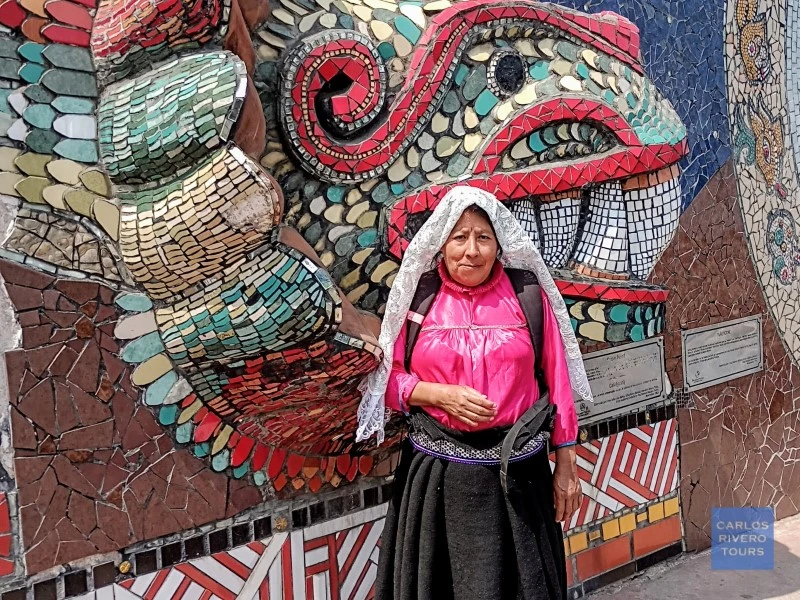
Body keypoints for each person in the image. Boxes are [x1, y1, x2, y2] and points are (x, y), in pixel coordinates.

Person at [356, 187, 594, 600]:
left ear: (499, 244)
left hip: (519, 480)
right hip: (438, 480)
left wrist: (567, 467)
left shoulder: (527, 296)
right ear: (441, 243)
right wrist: (436, 394)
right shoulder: (419, 297)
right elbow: (385, 383)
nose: (471, 250)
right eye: (459, 237)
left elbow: (559, 385)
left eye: (482, 237)